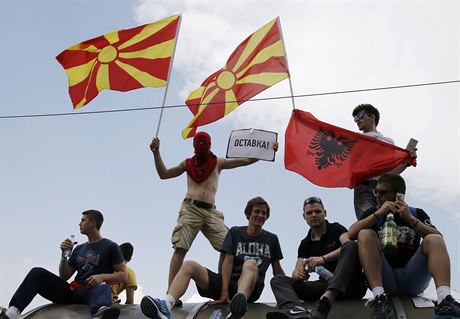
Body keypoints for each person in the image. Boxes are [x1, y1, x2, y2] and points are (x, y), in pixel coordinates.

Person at [149, 132, 277, 294]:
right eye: (199, 142)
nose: (202, 145)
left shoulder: (218, 163)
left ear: (210, 144)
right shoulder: (187, 163)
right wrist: (156, 153)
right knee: (180, 248)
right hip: (191, 208)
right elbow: (164, 174)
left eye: (205, 142)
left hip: (211, 212)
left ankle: (223, 284)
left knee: (229, 247)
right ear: (194, 145)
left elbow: (244, 161)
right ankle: (170, 292)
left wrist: (267, 151)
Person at [140, 196, 285, 319]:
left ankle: (237, 308)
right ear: (248, 214)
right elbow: (227, 262)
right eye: (257, 211)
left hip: (249, 288)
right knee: (189, 265)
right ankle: (166, 305)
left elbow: (277, 271)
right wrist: (223, 292)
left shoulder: (271, 239)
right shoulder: (235, 232)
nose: (260, 215)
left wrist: (289, 295)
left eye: (264, 213)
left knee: (251, 263)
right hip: (226, 283)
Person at [348, 173, 460, 319]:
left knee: (434, 239)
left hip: (412, 278)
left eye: (383, 192)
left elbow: (438, 237)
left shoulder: (416, 213)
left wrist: (411, 219)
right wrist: (378, 214)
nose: (377, 196)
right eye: (376, 191)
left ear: (399, 195)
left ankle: (445, 300)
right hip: (386, 277)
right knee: (364, 234)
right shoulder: (373, 213)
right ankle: (380, 299)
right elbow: (351, 234)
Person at [0, 210, 127, 319]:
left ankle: (101, 314)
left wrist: (102, 277)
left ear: (92, 223)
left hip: (94, 292)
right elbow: (64, 276)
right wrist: (64, 255)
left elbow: (123, 275)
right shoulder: (79, 249)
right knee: (37, 272)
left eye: (83, 220)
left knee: (103, 288)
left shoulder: (110, 246)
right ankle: (11, 313)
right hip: (74, 291)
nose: (79, 223)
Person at [266, 197, 367, 319]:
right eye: (309, 213)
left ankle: (326, 301)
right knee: (278, 280)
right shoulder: (305, 243)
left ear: (325, 213)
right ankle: (295, 311)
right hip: (325, 285)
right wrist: (299, 274)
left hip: (349, 284)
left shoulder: (335, 229)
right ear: (304, 216)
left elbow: (349, 245)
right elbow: (296, 271)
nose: (314, 215)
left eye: (317, 211)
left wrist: (323, 259)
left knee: (351, 245)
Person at [351, 104, 416, 219]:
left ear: (372, 117)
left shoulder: (387, 142)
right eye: (355, 118)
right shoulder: (355, 140)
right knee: (366, 223)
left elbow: (391, 173)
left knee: (388, 223)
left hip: (385, 188)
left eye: (360, 116)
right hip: (364, 187)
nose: (357, 120)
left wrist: (407, 161)